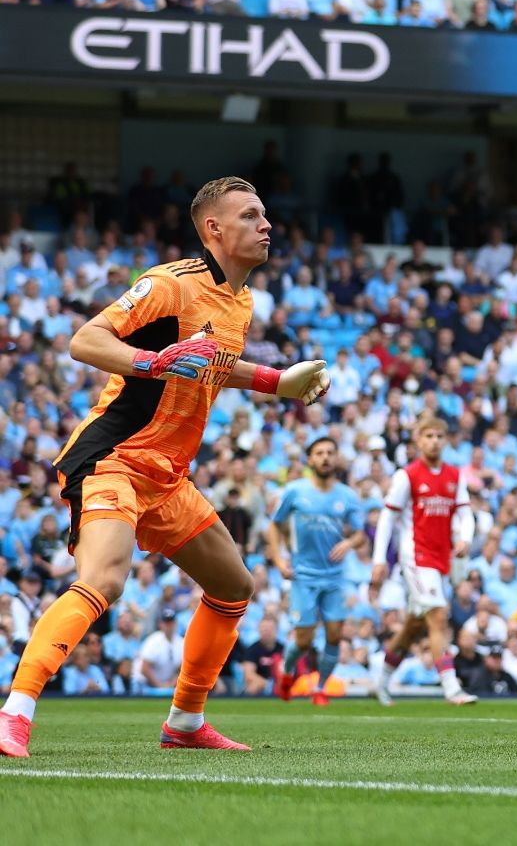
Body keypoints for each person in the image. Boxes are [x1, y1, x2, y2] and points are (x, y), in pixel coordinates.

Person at [0, 176, 329, 758]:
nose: (267, 225)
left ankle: (185, 722)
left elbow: (213, 364)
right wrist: (154, 362)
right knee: (104, 580)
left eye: (264, 215)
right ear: (214, 229)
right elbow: (86, 340)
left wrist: (277, 381)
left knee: (233, 586)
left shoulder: (241, 301)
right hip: (113, 459)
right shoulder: (170, 284)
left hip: (167, 475)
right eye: (251, 216)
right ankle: (14, 714)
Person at [371, 418, 480, 706]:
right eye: (428, 436)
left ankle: (381, 682)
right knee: (439, 615)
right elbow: (387, 517)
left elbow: (466, 514)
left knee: (413, 626)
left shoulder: (454, 475)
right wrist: (379, 559)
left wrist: (465, 538)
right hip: (415, 557)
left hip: (441, 558)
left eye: (439, 436)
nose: (434, 441)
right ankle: (451, 687)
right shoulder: (407, 475)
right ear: (418, 440)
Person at [266, 436, 366, 706]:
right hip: (303, 575)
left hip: (335, 576)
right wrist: (279, 560)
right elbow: (274, 526)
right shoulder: (294, 491)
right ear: (310, 460)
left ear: (336, 458)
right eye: (319, 453)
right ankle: (286, 671)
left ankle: (320, 688)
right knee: (303, 640)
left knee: (335, 634)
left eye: (330, 452)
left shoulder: (347, 496)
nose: (325, 457)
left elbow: (360, 534)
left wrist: (349, 543)